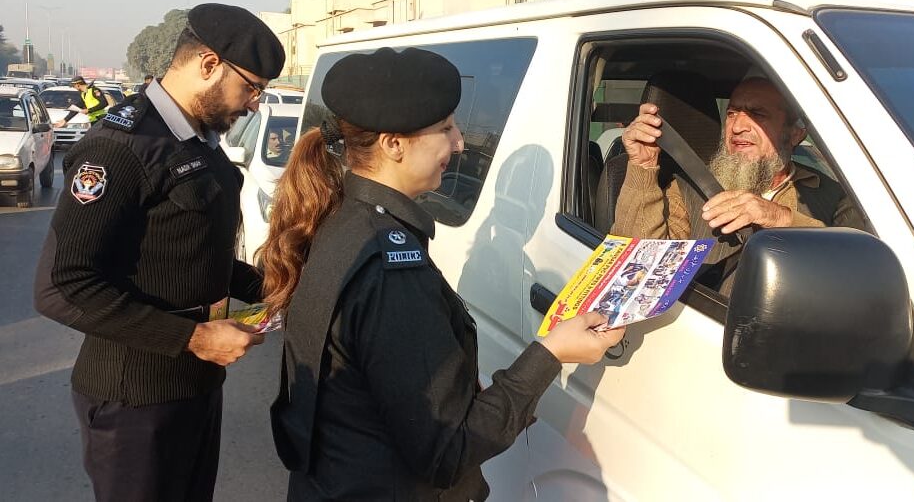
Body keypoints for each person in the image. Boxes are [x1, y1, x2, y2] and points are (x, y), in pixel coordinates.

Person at [262, 47, 624, 501]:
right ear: (394, 144)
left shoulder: (345, 219)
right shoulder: (389, 269)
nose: (460, 142)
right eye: (445, 128)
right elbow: (448, 450)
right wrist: (551, 352)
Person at [33, 3, 286, 502]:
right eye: (251, 87)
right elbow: (62, 286)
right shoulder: (122, 148)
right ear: (209, 65)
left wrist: (276, 285)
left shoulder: (197, 142)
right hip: (135, 400)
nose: (254, 104)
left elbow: (190, 252)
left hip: (195, 384)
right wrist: (193, 338)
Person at [611, 76, 865, 295]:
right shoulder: (688, 188)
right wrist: (643, 167)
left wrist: (780, 218)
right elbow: (636, 273)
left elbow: (859, 271)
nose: (738, 127)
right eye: (732, 113)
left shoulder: (835, 194)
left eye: (757, 114)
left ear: (796, 133)